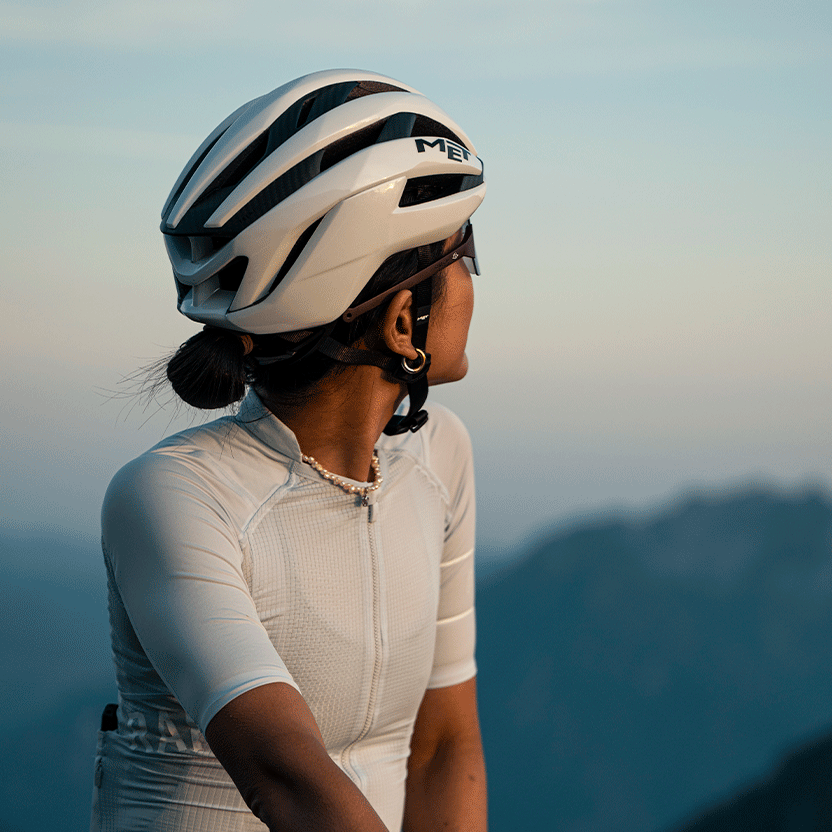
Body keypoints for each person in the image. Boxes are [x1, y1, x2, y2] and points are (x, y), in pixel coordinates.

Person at [91, 68, 487, 832]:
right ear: (403, 322)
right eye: (464, 255)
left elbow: (443, 745)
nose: (475, 281)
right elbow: (286, 776)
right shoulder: (175, 496)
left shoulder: (441, 457)